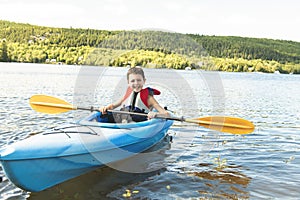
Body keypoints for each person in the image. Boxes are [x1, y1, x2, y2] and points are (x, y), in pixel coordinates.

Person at [99, 67, 169, 123]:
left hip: (139, 122)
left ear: (144, 81)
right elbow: (113, 106)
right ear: (128, 83)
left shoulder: (149, 98)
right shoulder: (128, 95)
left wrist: (156, 114)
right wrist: (105, 108)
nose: (136, 83)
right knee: (104, 116)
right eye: (132, 81)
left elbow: (166, 114)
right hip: (125, 120)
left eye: (139, 80)